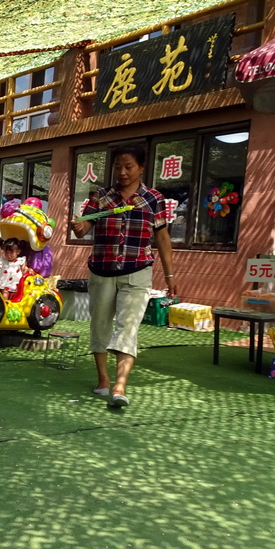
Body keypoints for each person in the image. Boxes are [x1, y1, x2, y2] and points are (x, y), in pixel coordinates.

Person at [70, 144, 176, 408]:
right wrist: (78, 226)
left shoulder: (153, 199)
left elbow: (162, 237)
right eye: (118, 166)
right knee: (100, 325)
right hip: (102, 271)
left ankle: (120, 385)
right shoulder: (101, 197)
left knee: (128, 326)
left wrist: (170, 274)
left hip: (138, 271)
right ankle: (103, 379)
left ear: (141, 168)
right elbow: (84, 230)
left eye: (129, 166)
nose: (123, 172)